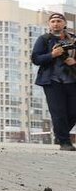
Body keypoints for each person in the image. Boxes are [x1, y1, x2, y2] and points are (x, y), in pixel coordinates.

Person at [31, 12, 76, 151]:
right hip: (52, 81)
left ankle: (60, 134)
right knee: (58, 112)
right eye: (53, 21)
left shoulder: (73, 40)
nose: (56, 23)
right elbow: (36, 59)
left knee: (73, 111)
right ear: (49, 24)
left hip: (72, 80)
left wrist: (74, 62)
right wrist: (52, 55)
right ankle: (64, 142)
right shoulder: (44, 39)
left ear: (64, 23)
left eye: (58, 21)